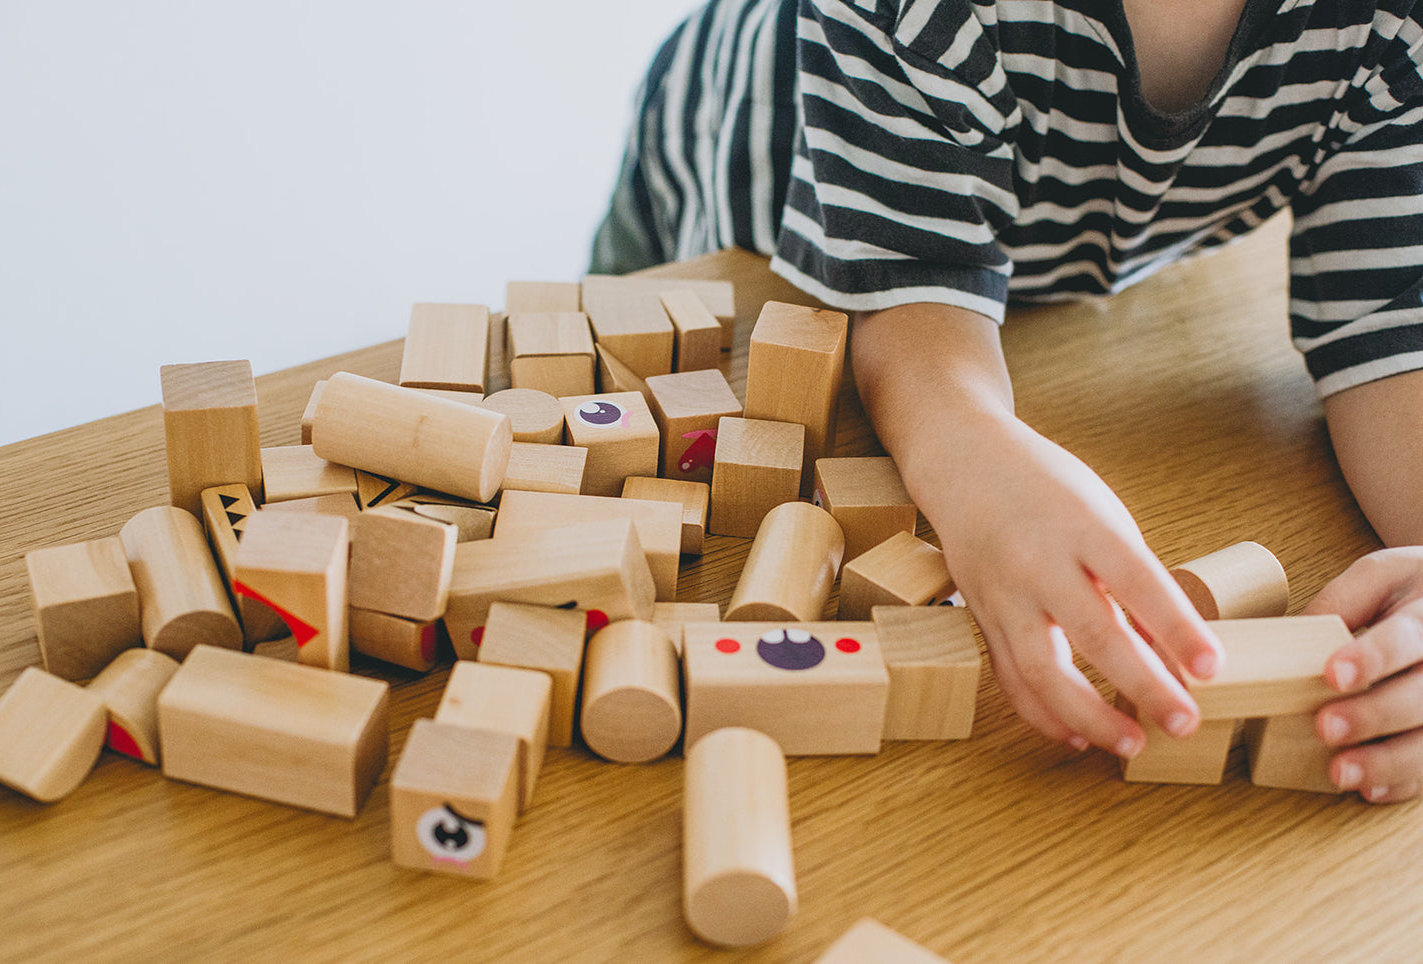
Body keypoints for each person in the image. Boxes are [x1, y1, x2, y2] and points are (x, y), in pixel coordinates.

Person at [592, 0, 1423, 802]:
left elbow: (1394, 331)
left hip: (1056, 236)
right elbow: (912, 302)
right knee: (649, 384)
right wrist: (966, 439)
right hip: (765, 178)